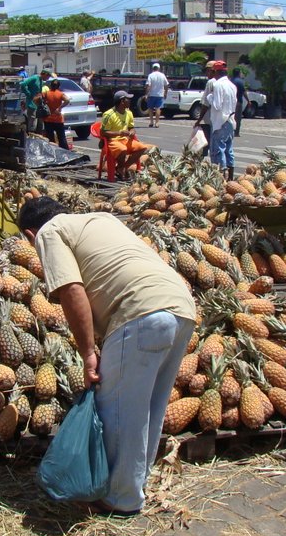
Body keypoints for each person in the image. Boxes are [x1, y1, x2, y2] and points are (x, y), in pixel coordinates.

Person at [17, 197, 197, 516]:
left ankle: (120, 498)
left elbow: (72, 290)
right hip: (181, 308)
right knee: (149, 408)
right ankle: (133, 485)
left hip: (139, 311)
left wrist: (88, 352)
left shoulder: (48, 232)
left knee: (118, 411)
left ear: (30, 236)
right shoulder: (100, 220)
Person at [193, 61, 238, 179]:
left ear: (216, 72)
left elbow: (217, 105)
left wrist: (210, 97)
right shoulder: (232, 85)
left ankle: (221, 177)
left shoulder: (217, 85)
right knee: (229, 149)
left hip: (219, 122)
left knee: (218, 150)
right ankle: (231, 178)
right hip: (230, 120)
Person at [102, 90, 150, 179]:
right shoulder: (108, 114)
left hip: (125, 139)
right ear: (122, 101)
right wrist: (119, 133)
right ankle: (121, 168)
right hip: (112, 141)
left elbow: (131, 127)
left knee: (142, 148)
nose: (130, 101)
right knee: (122, 149)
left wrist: (132, 132)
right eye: (128, 99)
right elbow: (103, 132)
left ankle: (122, 167)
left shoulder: (129, 113)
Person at [42, 78, 70, 149]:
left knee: (50, 138)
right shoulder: (60, 94)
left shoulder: (47, 93)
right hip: (58, 119)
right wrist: (60, 107)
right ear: (58, 86)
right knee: (61, 138)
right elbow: (67, 100)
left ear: (50, 85)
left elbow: (39, 99)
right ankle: (65, 152)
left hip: (48, 119)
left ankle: (53, 151)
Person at [145, 62, 169, 128]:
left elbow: (148, 85)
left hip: (151, 94)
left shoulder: (150, 75)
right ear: (159, 68)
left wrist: (146, 94)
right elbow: (166, 85)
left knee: (150, 108)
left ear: (153, 68)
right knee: (158, 108)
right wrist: (165, 93)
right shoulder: (162, 75)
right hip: (160, 95)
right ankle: (157, 123)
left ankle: (151, 122)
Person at [232, 67, 246, 137]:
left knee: (231, 117)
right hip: (238, 102)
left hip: (231, 102)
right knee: (238, 118)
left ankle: (231, 131)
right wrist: (248, 100)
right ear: (238, 73)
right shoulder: (240, 82)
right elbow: (244, 92)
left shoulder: (230, 81)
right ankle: (236, 132)